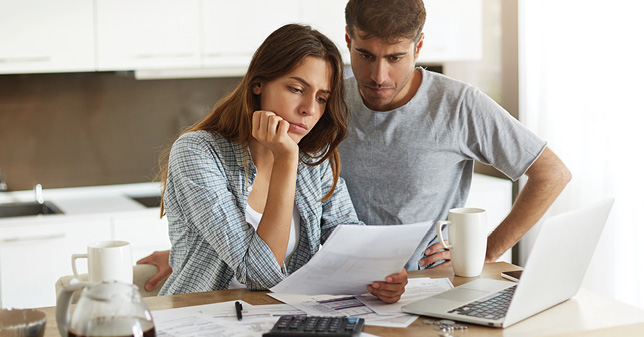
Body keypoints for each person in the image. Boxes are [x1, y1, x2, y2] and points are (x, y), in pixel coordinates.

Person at [140, 0, 571, 289]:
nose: (379, 76)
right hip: (236, 312)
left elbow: (344, 232)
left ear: (418, 48)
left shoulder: (317, 148)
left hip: (388, 290)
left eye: (396, 57)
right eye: (365, 55)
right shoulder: (308, 127)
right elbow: (259, 269)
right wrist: (191, 248)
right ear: (349, 42)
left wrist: (473, 253)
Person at [151, 23, 406, 303]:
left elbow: (346, 234)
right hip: (198, 321)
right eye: (297, 89)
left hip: (279, 319)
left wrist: (381, 271)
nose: (309, 109)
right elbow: (259, 274)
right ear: (258, 84)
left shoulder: (312, 160)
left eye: (322, 98)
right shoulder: (197, 153)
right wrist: (286, 160)